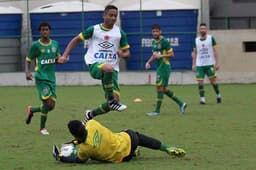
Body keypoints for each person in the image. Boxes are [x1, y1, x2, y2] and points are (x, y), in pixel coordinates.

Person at [58, 5, 130, 121]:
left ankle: (90, 115)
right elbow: (76, 40)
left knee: (114, 103)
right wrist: (65, 55)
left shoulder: (120, 33)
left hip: (113, 70)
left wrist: (123, 54)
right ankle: (111, 100)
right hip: (95, 64)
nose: (113, 18)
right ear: (104, 15)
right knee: (107, 68)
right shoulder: (94, 29)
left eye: (115, 16)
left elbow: (127, 53)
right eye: (110, 15)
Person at [52, 119, 186, 163]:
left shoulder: (86, 149)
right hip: (129, 139)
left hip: (123, 157)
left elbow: (79, 160)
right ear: (83, 125)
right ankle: (167, 148)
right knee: (137, 137)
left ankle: (133, 153)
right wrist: (75, 141)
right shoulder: (92, 124)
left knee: (95, 157)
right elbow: (81, 137)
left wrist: (61, 158)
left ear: (74, 135)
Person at [25, 22, 61, 135]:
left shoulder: (55, 44)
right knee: (47, 103)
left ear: (50, 31)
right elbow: (28, 59)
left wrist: (61, 59)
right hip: (41, 77)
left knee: (51, 106)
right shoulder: (36, 45)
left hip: (52, 78)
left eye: (47, 29)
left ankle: (31, 110)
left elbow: (57, 58)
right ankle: (42, 129)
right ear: (40, 31)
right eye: (43, 30)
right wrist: (27, 72)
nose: (45, 31)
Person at [145, 24, 187, 116]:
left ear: (160, 32)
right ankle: (181, 104)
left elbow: (172, 55)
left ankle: (157, 111)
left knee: (159, 87)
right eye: (153, 31)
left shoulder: (164, 42)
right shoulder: (154, 42)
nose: (155, 33)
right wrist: (148, 62)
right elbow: (154, 55)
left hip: (164, 66)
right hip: (159, 67)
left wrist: (162, 56)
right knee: (163, 89)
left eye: (157, 31)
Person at [192, 23, 221, 104]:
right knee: (200, 82)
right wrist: (193, 64)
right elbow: (194, 53)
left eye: (204, 28)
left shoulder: (211, 38)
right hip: (200, 65)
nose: (202, 30)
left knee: (213, 82)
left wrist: (217, 63)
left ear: (206, 29)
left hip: (210, 64)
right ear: (199, 30)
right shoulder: (196, 40)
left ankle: (218, 95)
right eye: (201, 29)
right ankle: (202, 99)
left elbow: (215, 51)